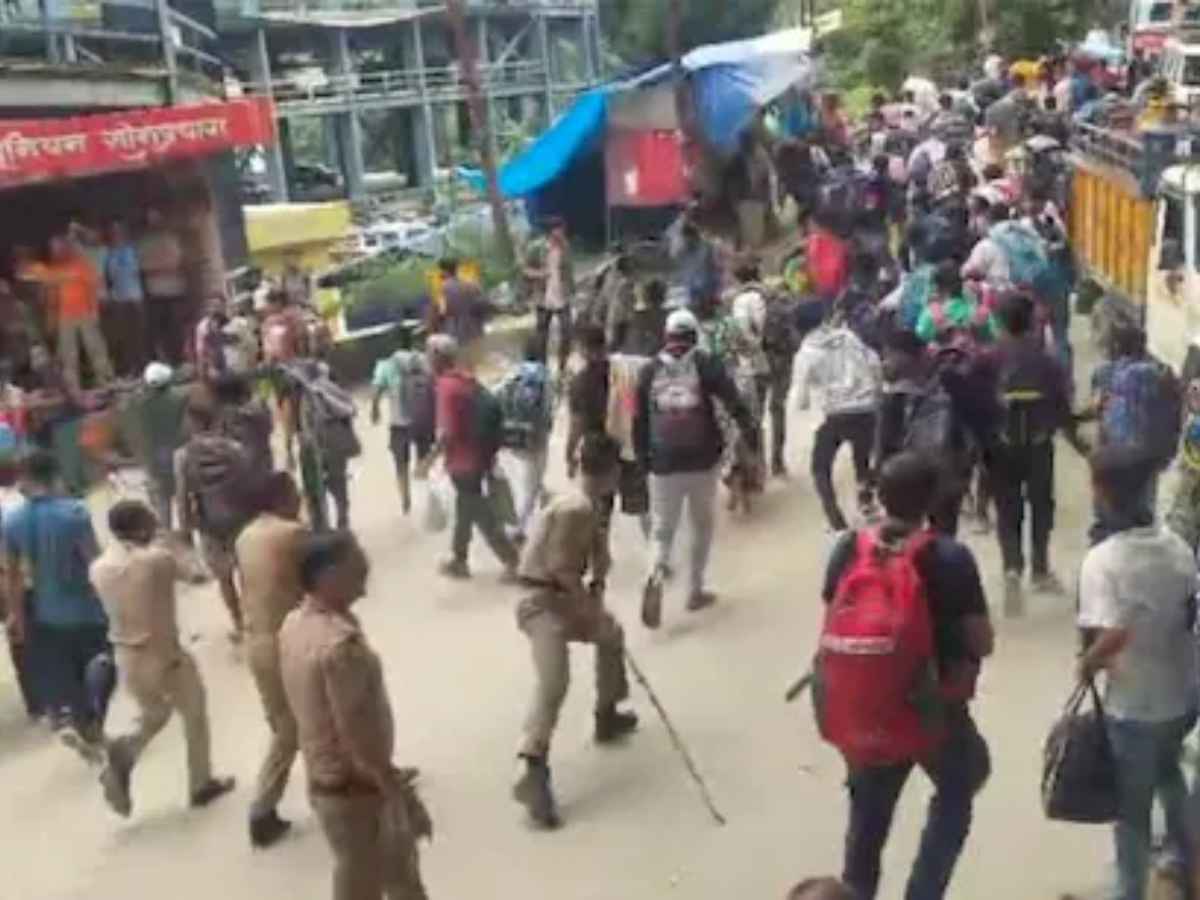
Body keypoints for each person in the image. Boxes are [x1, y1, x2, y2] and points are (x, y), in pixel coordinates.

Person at [823, 452, 993, 900]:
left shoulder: (848, 548)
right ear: (933, 500)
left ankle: (855, 893)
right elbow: (982, 640)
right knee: (962, 782)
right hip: (934, 708)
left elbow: (833, 618)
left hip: (866, 705)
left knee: (867, 822)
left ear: (879, 495)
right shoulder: (951, 558)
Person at [279, 531, 431, 900]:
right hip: (356, 790)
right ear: (328, 576)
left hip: (329, 781)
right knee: (369, 881)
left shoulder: (295, 624)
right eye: (357, 566)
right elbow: (356, 731)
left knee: (390, 875)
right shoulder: (340, 646)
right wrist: (396, 793)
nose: (366, 572)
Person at [1077, 446, 1198, 900]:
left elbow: (1111, 635)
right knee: (1173, 784)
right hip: (1183, 697)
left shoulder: (1103, 561)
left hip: (1132, 707)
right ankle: (1181, 869)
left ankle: (1129, 891)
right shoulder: (1178, 548)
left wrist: (1086, 664)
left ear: (1102, 494)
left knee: (1131, 817)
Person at [511, 432, 638, 828]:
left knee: (611, 636)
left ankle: (607, 711)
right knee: (555, 682)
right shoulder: (576, 509)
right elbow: (562, 569)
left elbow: (594, 561)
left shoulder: (587, 504)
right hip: (543, 604)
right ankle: (533, 765)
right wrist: (588, 607)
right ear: (611, 472)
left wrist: (597, 590)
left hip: (561, 599)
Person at [91, 499, 235, 818]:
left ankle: (124, 753)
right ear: (143, 528)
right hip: (164, 653)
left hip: (126, 655)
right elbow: (199, 575)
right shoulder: (156, 559)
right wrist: (174, 543)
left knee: (154, 714)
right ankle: (201, 783)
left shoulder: (99, 568)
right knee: (194, 713)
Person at [633, 309, 759, 627]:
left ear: (667, 335)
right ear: (693, 335)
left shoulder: (648, 371)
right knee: (701, 525)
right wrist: (752, 439)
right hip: (702, 460)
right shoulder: (706, 364)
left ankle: (655, 573)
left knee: (662, 530)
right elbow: (735, 403)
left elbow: (638, 421)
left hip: (662, 463)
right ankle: (695, 591)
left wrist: (643, 461)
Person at [4, 450, 110, 761]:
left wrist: (17, 617)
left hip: (46, 611)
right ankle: (96, 728)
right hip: (85, 606)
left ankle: (80, 724)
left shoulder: (11, 522)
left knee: (69, 674)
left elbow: (12, 577)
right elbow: (94, 561)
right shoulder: (75, 512)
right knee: (101, 667)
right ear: (54, 476)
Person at [978, 294, 1073, 615]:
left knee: (1007, 508)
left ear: (999, 322)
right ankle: (1041, 569)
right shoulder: (1047, 360)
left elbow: (971, 401)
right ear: (1032, 321)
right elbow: (1062, 403)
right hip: (1038, 443)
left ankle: (1012, 569)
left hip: (1000, 446)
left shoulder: (987, 358)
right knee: (1041, 505)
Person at [236, 472, 307, 847]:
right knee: (294, 729)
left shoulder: (246, 535)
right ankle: (262, 809)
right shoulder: (292, 534)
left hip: (258, 642)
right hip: (288, 641)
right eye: (295, 492)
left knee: (289, 724)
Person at [429, 334, 519, 580]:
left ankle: (512, 560)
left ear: (436, 358)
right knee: (466, 508)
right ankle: (459, 559)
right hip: (479, 456)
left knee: (480, 513)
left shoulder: (446, 387)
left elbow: (447, 432)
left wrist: (428, 460)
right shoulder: (465, 379)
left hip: (463, 460)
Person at [875, 330, 976, 536]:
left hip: (908, 481)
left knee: (907, 540)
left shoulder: (895, 398)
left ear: (911, 356)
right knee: (944, 537)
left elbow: (884, 446)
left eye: (891, 355)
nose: (886, 362)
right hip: (945, 479)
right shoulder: (948, 385)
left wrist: (881, 481)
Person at [791, 305, 883, 532]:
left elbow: (801, 399)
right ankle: (867, 504)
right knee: (862, 459)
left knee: (820, 467)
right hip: (866, 408)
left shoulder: (806, 353)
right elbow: (874, 362)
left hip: (836, 414)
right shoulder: (848, 336)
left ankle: (836, 521)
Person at [177, 402, 250, 640]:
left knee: (224, 577)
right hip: (239, 517)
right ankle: (254, 618)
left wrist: (186, 528)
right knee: (247, 572)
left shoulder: (183, 456)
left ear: (193, 423)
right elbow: (247, 481)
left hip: (209, 523)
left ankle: (238, 622)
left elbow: (182, 494)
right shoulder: (233, 448)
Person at [370, 324, 435, 514]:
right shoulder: (423, 360)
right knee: (424, 459)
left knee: (401, 464)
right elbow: (434, 384)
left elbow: (376, 391)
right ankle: (428, 500)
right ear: (410, 341)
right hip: (422, 420)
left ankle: (406, 503)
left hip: (399, 423)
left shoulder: (385, 365)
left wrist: (375, 411)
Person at [496, 336, 554, 544]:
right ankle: (517, 529)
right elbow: (548, 406)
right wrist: (546, 428)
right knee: (531, 483)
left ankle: (545, 495)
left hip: (513, 434)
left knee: (531, 475)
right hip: (535, 436)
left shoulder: (514, 372)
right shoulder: (544, 375)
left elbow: (496, 395)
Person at [39, 234, 114, 391]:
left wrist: (94, 310)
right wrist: (50, 317)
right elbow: (50, 295)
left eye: (58, 247)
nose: (55, 251)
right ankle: (72, 387)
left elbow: (94, 288)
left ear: (65, 248)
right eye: (53, 248)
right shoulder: (53, 269)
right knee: (68, 353)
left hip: (85, 313)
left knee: (95, 348)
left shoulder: (80, 265)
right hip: (64, 316)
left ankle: (106, 380)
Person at [135, 362, 187, 531]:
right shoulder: (180, 398)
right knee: (183, 494)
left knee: (161, 500)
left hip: (154, 456)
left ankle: (166, 534)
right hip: (178, 451)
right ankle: (186, 531)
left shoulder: (140, 404)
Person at [138, 207, 188, 365]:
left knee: (176, 328)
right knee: (158, 330)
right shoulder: (144, 242)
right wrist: (162, 267)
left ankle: (178, 359)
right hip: (155, 292)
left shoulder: (171, 238)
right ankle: (164, 361)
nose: (154, 222)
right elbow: (143, 267)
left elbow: (177, 262)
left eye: (156, 218)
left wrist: (158, 267)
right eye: (151, 219)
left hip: (174, 290)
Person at [526, 219, 575, 372]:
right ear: (551, 231)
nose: (561, 233)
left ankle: (563, 364)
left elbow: (569, 270)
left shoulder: (565, 247)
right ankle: (542, 366)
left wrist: (572, 288)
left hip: (562, 294)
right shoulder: (536, 247)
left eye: (562, 229)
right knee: (542, 333)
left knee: (567, 331)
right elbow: (524, 269)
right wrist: (539, 274)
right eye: (558, 230)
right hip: (543, 296)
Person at [916, 261, 998, 349]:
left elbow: (920, 337)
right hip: (976, 360)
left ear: (937, 287)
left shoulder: (929, 314)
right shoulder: (978, 312)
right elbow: (995, 335)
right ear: (962, 284)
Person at [103, 221, 146, 375]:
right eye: (113, 230)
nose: (117, 233)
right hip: (119, 298)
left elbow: (141, 271)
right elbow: (107, 276)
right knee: (124, 335)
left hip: (136, 296)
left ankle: (144, 365)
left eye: (119, 230)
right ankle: (130, 368)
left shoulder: (132, 249)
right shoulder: (108, 253)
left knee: (140, 333)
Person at [431, 257, 491, 360]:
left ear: (443, 270)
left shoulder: (444, 288)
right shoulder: (472, 284)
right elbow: (484, 305)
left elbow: (442, 312)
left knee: (461, 363)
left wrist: (435, 328)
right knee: (476, 361)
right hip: (475, 331)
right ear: (456, 268)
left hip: (456, 332)